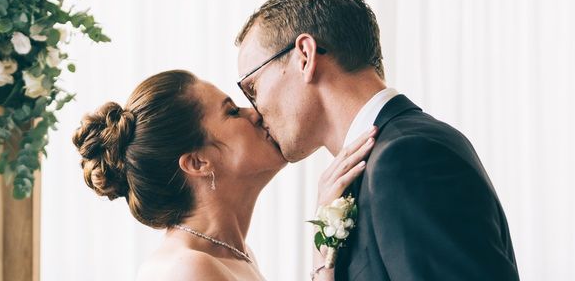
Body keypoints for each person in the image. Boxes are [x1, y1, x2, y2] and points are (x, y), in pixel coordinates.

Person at [236, 0, 520, 280]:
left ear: (304, 56)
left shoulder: (407, 158)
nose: (255, 111)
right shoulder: (389, 157)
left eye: (252, 87)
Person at [72, 69, 375, 280]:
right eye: (231, 112)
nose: (254, 113)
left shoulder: (234, 255)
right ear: (197, 163)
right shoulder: (186, 270)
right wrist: (323, 250)